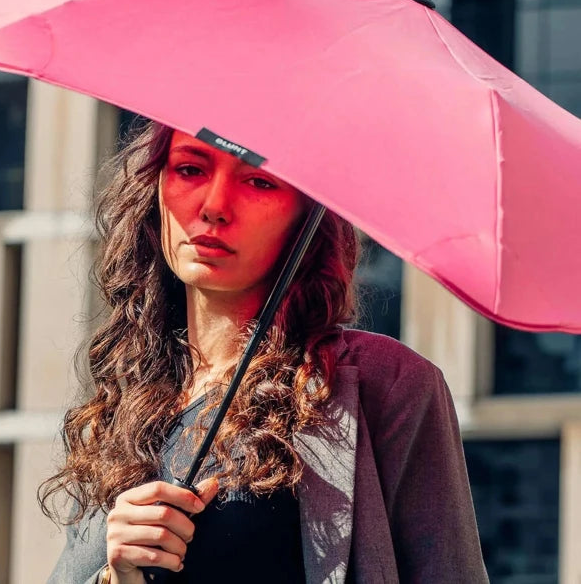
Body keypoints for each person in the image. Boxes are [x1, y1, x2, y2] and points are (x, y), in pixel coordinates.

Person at [43, 121, 489, 584]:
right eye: (191, 169)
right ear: (155, 187)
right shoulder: (123, 402)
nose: (214, 207)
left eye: (259, 181)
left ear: (305, 215)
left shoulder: (386, 384)